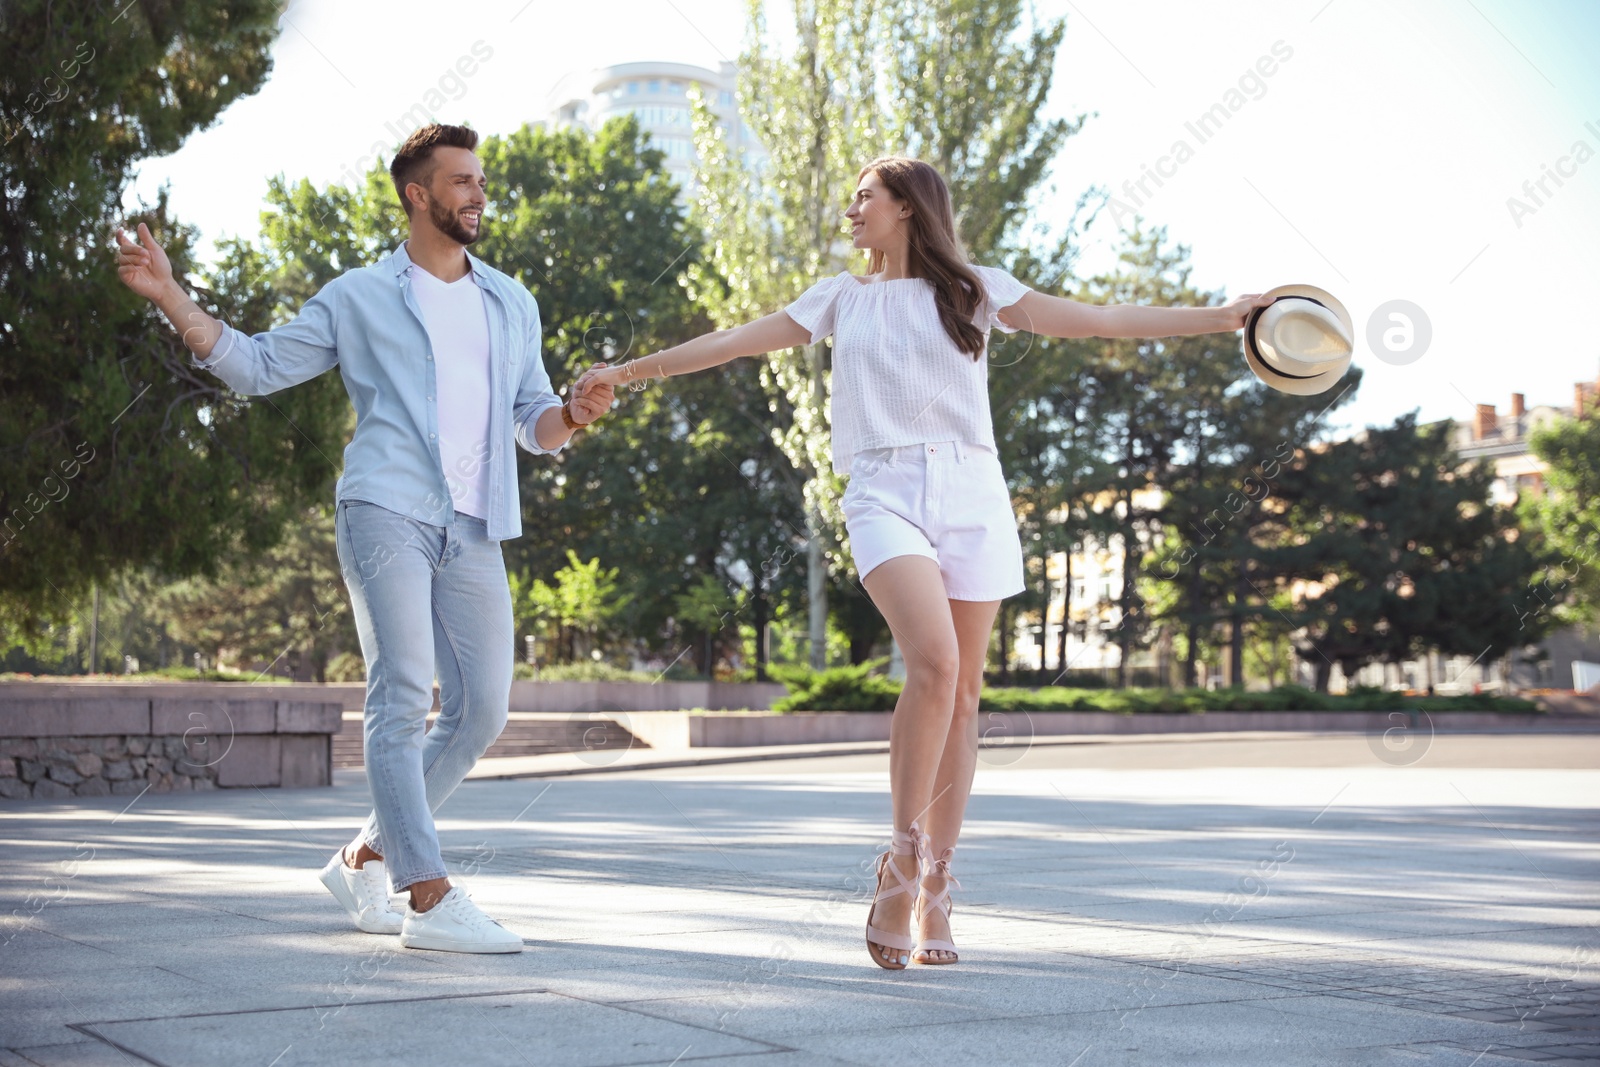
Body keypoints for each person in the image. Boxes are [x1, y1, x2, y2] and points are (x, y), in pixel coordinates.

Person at [577, 156, 1270, 969]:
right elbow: (732, 343)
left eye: (865, 195)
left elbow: (1103, 319)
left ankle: (939, 879)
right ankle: (901, 858)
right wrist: (624, 373)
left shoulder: (975, 288)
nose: (850, 208)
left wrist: (1224, 317)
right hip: (882, 489)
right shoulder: (840, 297)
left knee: (966, 695)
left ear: (907, 206)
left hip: (973, 489)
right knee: (934, 664)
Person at [115, 123, 614, 954]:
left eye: (481, 180)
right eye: (461, 181)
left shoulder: (511, 301)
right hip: (385, 507)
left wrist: (575, 416)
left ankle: (363, 854)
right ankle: (427, 894)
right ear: (417, 195)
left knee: (482, 710)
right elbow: (255, 366)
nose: (478, 194)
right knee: (402, 692)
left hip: (477, 520)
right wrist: (173, 296)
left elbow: (535, 422)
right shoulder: (357, 295)